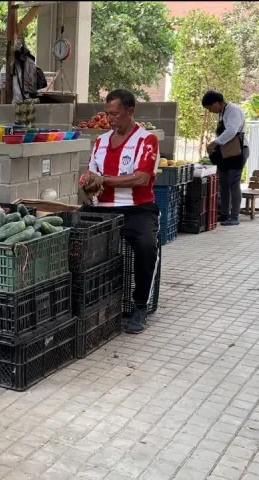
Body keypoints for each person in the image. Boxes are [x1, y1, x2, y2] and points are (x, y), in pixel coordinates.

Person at [79, 89, 160, 334]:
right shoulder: (100, 142)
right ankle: (86, 303)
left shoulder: (147, 140)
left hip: (137, 209)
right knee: (73, 238)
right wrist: (87, 183)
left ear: (130, 111)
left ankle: (140, 306)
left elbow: (142, 178)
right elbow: (90, 175)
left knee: (147, 246)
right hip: (101, 209)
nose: (110, 119)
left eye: (115, 113)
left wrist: (103, 180)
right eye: (107, 113)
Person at [201, 90, 248, 226]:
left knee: (234, 183)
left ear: (217, 102)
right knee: (224, 184)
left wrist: (214, 143)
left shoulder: (233, 110)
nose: (210, 111)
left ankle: (234, 216)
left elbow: (232, 130)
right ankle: (224, 213)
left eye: (210, 108)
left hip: (237, 152)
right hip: (225, 153)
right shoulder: (222, 112)